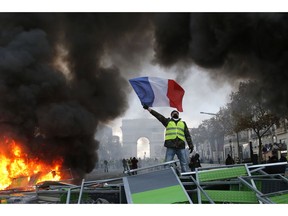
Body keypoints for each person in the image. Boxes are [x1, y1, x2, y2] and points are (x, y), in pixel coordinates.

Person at [143, 105, 194, 173]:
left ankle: (185, 176)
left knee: (184, 163)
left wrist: (191, 145)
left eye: (176, 112)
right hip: (171, 146)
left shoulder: (183, 123)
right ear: (171, 115)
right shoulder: (167, 121)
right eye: (173, 113)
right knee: (167, 163)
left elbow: (187, 135)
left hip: (180, 146)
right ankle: (167, 175)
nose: (175, 113)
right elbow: (158, 116)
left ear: (178, 115)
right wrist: (148, 109)